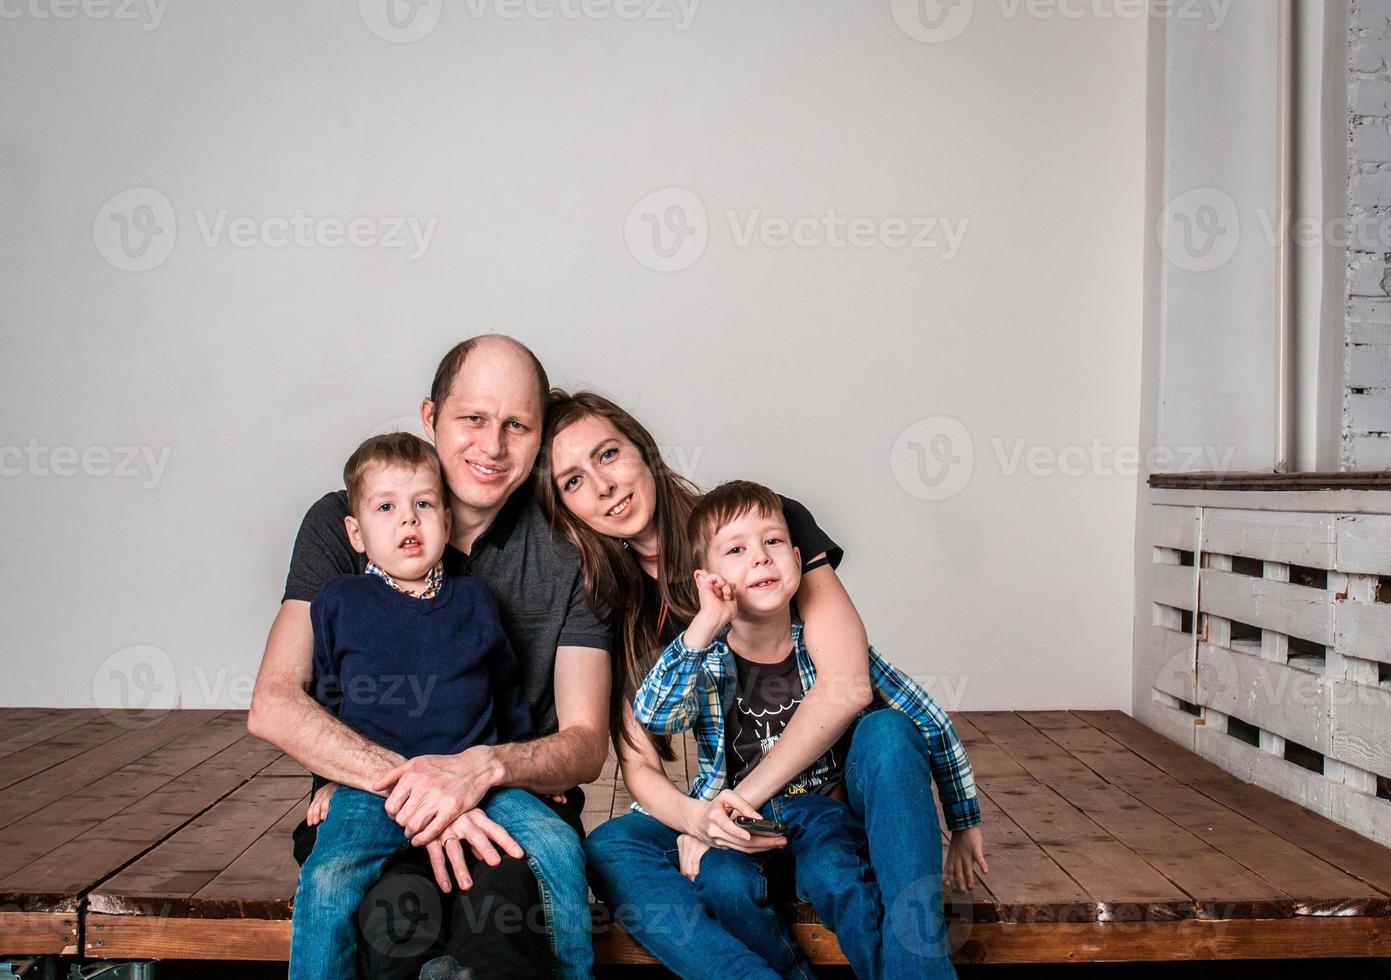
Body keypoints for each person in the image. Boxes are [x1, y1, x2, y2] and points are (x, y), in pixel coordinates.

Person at [535, 391, 984, 978]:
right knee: (612, 848)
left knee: (889, 730)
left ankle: (915, 971)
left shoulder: (765, 521)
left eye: (608, 455)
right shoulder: (608, 603)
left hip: (832, 798)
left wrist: (737, 802)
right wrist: (702, 820)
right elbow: (639, 764)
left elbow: (848, 684)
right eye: (572, 481)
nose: (603, 486)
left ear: (643, 451)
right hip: (735, 812)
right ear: (568, 509)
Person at [250, 336, 611, 979]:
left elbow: (584, 743)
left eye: (517, 425)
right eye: (472, 418)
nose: (493, 446)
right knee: (383, 919)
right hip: (367, 793)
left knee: (507, 927)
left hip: (498, 790)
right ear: (430, 417)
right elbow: (280, 703)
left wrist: (480, 772)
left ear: (539, 437)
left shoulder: (568, 553)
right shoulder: (345, 521)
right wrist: (424, 789)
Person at [631, 480, 986, 979]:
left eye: (773, 542)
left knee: (834, 874)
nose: (760, 557)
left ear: (799, 560)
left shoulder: (825, 648)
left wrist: (965, 819)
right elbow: (655, 715)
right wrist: (703, 625)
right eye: (737, 549)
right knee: (722, 884)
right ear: (709, 579)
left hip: (822, 813)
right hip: (742, 823)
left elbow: (925, 718)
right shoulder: (707, 661)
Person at [289, 431, 552, 979]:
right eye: (387, 507)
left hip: (474, 782)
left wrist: (525, 771)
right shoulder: (339, 601)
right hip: (372, 790)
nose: (408, 520)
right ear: (356, 534)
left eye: (424, 505)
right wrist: (328, 778)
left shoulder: (477, 602)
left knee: (560, 854)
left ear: (447, 522)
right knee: (328, 879)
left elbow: (506, 694)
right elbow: (328, 697)